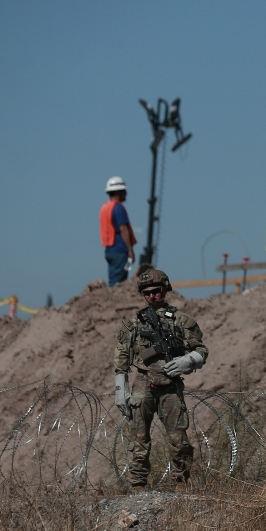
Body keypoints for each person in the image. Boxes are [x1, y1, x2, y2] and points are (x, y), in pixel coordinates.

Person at [113, 269, 208, 487]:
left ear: (165, 289)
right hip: (143, 384)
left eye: (156, 291)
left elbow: (201, 351)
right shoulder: (134, 323)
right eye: (146, 293)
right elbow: (122, 357)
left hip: (170, 386)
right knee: (139, 439)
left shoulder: (182, 321)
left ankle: (181, 482)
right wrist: (121, 389)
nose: (151, 296)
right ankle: (138, 486)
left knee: (179, 440)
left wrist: (187, 361)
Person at [100, 176, 137, 286]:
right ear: (118, 192)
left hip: (110, 251)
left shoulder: (105, 208)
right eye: (124, 191)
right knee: (118, 285)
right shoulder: (119, 208)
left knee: (114, 280)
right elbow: (123, 229)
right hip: (120, 251)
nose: (126, 193)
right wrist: (130, 250)